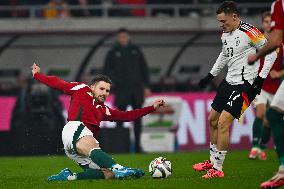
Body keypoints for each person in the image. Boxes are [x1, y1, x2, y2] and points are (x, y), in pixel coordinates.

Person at [31, 63, 165, 181]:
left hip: (76, 147)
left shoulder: (104, 110)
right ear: (92, 87)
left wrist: (152, 108)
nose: (105, 93)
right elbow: (58, 83)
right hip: (74, 128)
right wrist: (37, 75)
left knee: (108, 174)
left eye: (107, 91)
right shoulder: (81, 89)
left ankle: (69, 177)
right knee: (95, 147)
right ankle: (119, 168)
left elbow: (128, 116)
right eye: (101, 89)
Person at [193, 1, 277, 179]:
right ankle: (212, 160)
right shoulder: (225, 33)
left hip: (246, 84)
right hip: (228, 82)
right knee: (212, 120)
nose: (221, 25)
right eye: (219, 21)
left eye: (224, 21)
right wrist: (210, 76)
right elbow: (224, 54)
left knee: (223, 123)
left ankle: (218, 169)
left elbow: (272, 52)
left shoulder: (251, 32)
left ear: (235, 16)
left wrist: (260, 79)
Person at [248, 0, 284, 188]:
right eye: (267, 21)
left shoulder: (278, 39)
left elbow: (277, 42)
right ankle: (256, 147)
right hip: (260, 85)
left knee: (271, 118)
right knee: (263, 114)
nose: (269, 24)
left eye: (271, 21)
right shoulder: (257, 40)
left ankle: (262, 146)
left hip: (276, 86)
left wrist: (279, 73)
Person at [103, 28, 151, 153]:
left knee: (138, 118)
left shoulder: (136, 50)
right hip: (121, 90)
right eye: (121, 37)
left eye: (125, 37)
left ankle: (138, 146)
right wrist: (113, 83)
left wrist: (146, 86)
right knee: (119, 118)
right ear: (118, 38)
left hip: (136, 89)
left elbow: (144, 69)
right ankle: (121, 146)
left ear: (128, 37)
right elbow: (106, 71)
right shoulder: (113, 52)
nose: (123, 39)